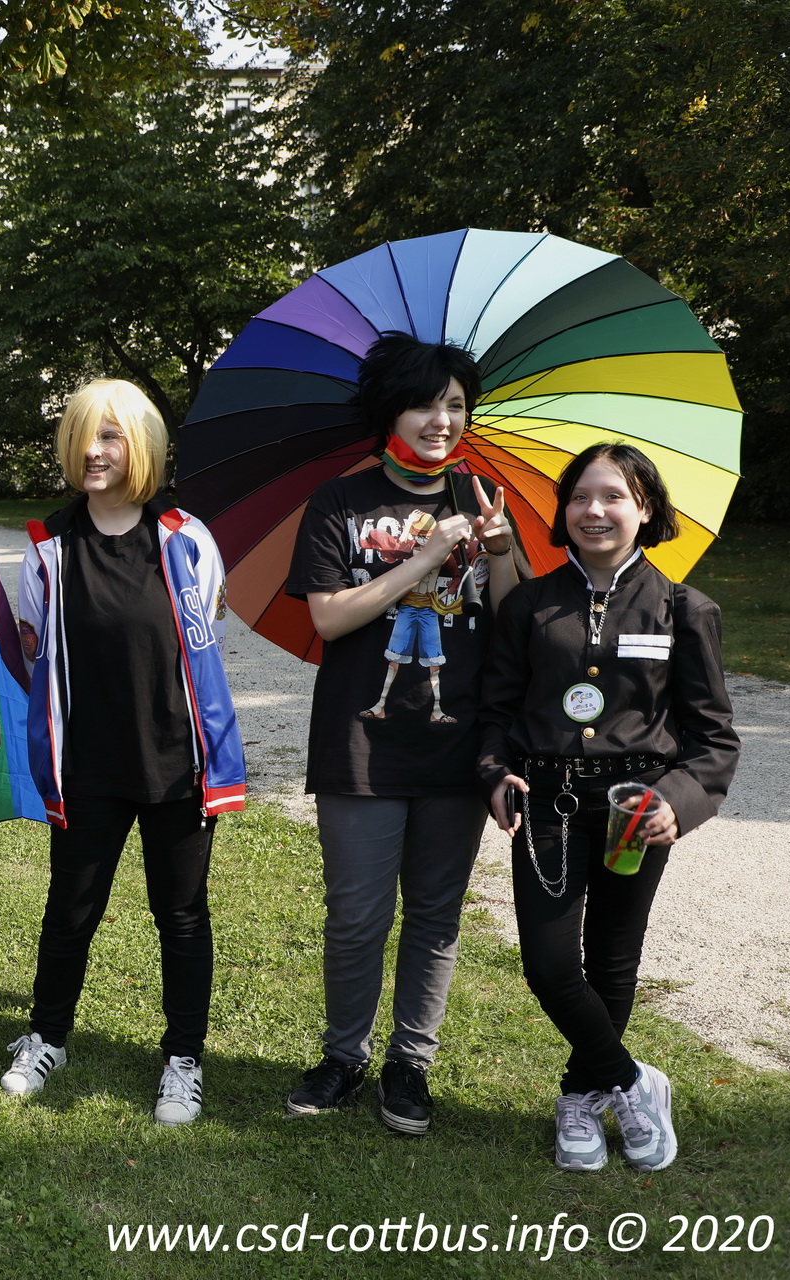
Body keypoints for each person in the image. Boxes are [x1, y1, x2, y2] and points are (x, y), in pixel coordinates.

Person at [280, 332, 519, 1134]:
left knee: (436, 913)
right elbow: (327, 616)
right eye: (425, 403)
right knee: (356, 913)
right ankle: (344, 1055)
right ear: (392, 409)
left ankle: (410, 1063)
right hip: (361, 737)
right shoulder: (339, 503)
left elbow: (512, 622)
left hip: (458, 741)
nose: (441, 419)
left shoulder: (483, 499)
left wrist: (505, 550)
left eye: (455, 405)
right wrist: (424, 557)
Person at [480, 442, 737, 1173]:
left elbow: (714, 739)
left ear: (646, 509)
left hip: (637, 808)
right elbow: (494, 710)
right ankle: (631, 1080)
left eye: (615, 496)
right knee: (549, 965)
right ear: (562, 511)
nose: (595, 511)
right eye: (582, 497)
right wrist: (495, 771)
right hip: (551, 805)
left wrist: (678, 804)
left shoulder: (687, 608)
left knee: (614, 962)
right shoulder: (530, 605)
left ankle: (579, 1098)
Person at [4, 380, 246, 1122]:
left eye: (110, 436)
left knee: (181, 914)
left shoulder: (184, 537)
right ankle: (47, 1035)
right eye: (81, 435)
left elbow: (207, 643)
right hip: (88, 767)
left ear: (140, 445)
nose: (93, 450)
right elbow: (33, 652)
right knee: (70, 910)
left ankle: (183, 1057)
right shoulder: (46, 550)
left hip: (177, 764)